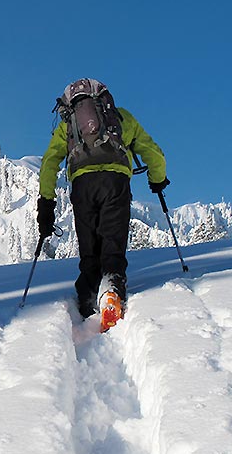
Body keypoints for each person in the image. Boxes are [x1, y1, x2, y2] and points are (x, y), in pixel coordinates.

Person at [36, 78, 168, 322]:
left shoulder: (68, 124)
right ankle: (111, 289)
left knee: (89, 245)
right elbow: (154, 153)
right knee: (112, 238)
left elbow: (49, 164)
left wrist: (46, 203)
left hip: (82, 185)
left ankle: (86, 301)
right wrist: (157, 179)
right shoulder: (120, 117)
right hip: (115, 181)